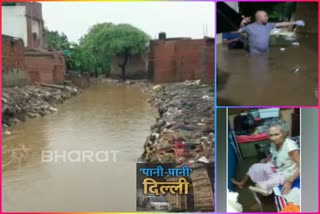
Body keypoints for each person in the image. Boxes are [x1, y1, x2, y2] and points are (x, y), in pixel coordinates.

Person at [232, 118, 300, 195]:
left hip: (286, 173)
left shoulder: (290, 146)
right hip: (276, 166)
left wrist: (289, 181)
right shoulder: (274, 143)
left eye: (277, 134)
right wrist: (266, 159)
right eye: (271, 135)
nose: (274, 138)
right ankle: (241, 183)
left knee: (261, 186)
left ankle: (266, 191)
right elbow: (274, 153)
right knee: (254, 167)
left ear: (283, 133)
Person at [236, 10, 305, 54]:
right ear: (259, 17)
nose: (267, 18)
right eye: (265, 16)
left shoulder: (268, 25)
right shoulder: (249, 27)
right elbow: (237, 31)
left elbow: (281, 24)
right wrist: (242, 23)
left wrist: (295, 22)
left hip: (266, 52)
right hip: (255, 53)